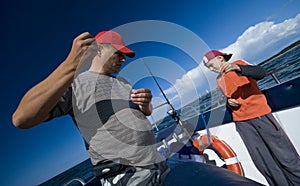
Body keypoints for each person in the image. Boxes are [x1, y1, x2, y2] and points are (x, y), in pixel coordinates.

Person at [12, 30, 169, 185]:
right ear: (99, 50)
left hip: (155, 163)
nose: (123, 59)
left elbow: (144, 114)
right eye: (119, 53)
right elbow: (22, 118)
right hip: (128, 176)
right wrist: (72, 64)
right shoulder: (74, 85)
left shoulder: (123, 82)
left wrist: (146, 104)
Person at [202, 50, 300, 186]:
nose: (212, 69)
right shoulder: (219, 80)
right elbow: (228, 98)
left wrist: (238, 68)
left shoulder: (239, 64)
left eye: (212, 65)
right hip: (242, 124)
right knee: (263, 162)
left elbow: (261, 73)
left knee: (285, 156)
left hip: (261, 116)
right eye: (209, 68)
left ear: (220, 58)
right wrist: (229, 103)